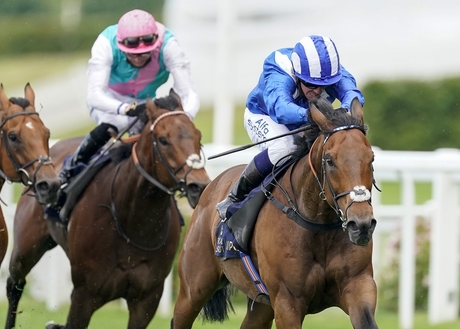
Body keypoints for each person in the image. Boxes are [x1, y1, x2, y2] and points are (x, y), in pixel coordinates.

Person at [216, 35, 365, 220]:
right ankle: (234, 197)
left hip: (308, 118)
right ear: (297, 74)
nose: (317, 91)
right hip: (266, 116)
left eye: (324, 85)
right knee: (285, 147)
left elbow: (353, 94)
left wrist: (342, 111)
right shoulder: (279, 68)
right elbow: (280, 107)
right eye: (311, 84)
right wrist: (310, 116)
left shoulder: (330, 71)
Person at [61, 8, 200, 178]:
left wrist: (182, 118)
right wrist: (125, 108)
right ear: (121, 44)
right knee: (113, 125)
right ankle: (71, 168)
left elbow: (188, 93)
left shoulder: (169, 45)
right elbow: (94, 95)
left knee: (158, 137)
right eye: (133, 54)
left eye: (145, 53)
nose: (139, 57)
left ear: (155, 42)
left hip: (145, 101)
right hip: (109, 100)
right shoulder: (106, 43)